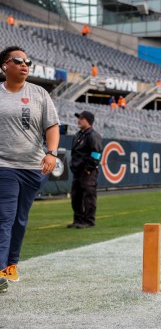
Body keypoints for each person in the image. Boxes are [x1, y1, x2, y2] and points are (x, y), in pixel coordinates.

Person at [0, 46, 60, 291]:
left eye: (28, 61)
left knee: (19, 219)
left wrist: (52, 153)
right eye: (18, 60)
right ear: (4, 65)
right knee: (5, 216)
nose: (25, 65)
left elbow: (52, 126)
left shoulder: (39, 94)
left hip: (33, 166)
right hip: (4, 165)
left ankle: (12, 263)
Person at [68, 111, 103, 229]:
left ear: (88, 121)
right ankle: (78, 219)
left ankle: (89, 221)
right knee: (76, 196)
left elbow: (96, 153)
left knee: (89, 196)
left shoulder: (93, 135)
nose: (79, 120)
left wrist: (89, 168)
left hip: (87, 172)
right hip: (78, 171)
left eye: (81, 118)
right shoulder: (79, 134)